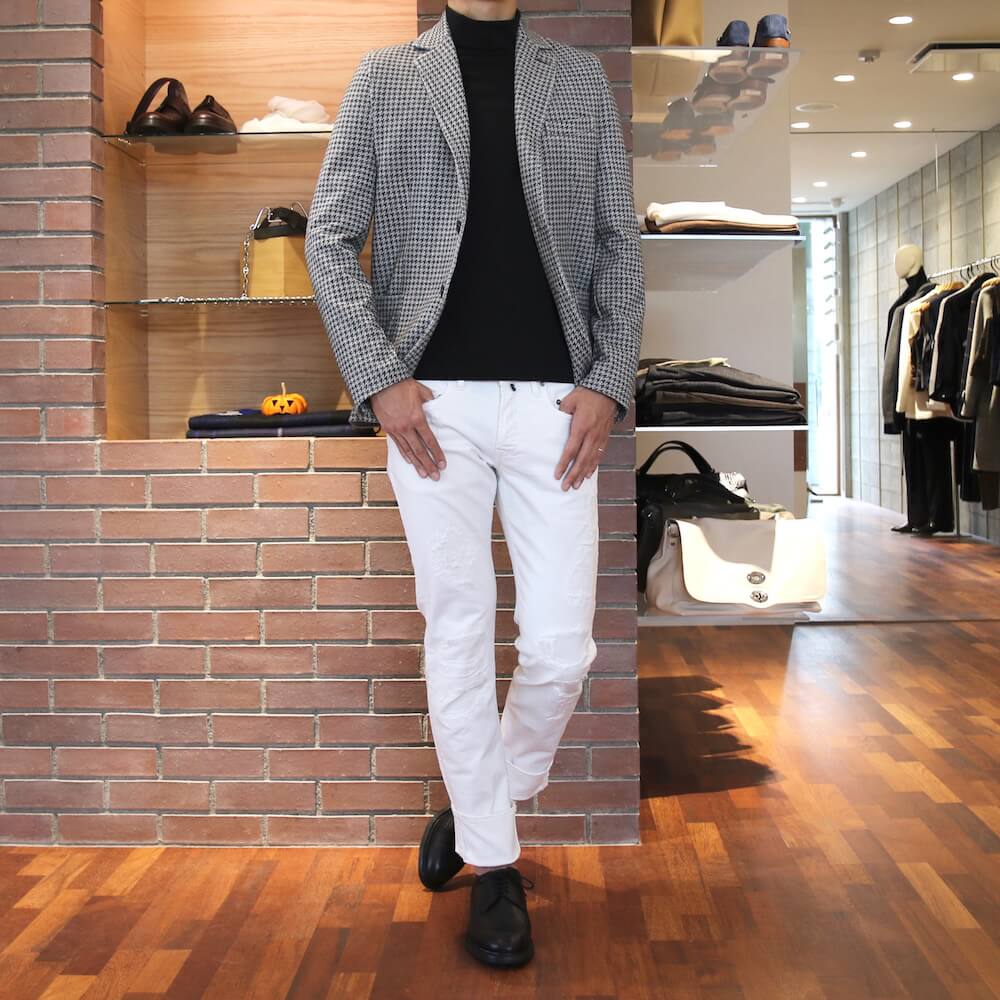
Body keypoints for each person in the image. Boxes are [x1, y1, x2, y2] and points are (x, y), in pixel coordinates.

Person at [304, 0, 643, 969]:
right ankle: (495, 867)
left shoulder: (577, 81)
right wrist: (379, 376)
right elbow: (329, 236)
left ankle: (475, 800)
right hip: (433, 407)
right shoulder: (385, 78)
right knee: (457, 626)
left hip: (556, 406)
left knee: (560, 647)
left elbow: (618, 243)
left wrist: (608, 381)